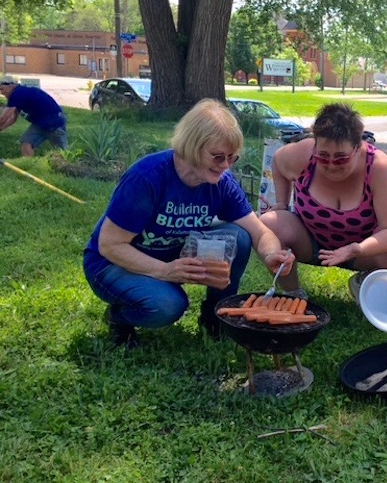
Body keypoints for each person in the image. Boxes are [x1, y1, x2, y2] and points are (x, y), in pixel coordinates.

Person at [83, 99, 294, 348]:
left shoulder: (221, 182)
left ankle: (215, 317)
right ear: (192, 146)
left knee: (240, 236)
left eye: (232, 158)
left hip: (167, 258)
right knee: (168, 306)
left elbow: (259, 232)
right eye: (217, 157)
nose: (225, 166)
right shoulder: (147, 178)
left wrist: (271, 254)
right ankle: (119, 318)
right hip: (111, 265)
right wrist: (164, 271)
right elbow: (110, 245)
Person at [259, 102, 387, 301]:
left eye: (341, 158)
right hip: (311, 241)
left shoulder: (378, 166)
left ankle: (365, 282)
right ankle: (293, 294)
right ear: (315, 145)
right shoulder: (303, 153)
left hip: (361, 249)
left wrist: (357, 249)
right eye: (323, 157)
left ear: (358, 147)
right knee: (269, 224)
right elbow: (277, 161)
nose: (331, 165)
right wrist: (282, 203)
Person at [0, 75, 68, 157]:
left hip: (54, 122)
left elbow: (4, 118)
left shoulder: (17, 94)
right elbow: (12, 118)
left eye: (2, 89)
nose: (1, 92)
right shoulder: (16, 95)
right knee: (26, 142)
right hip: (39, 123)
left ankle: (68, 167)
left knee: (62, 152)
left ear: (10, 86)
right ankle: (29, 165)